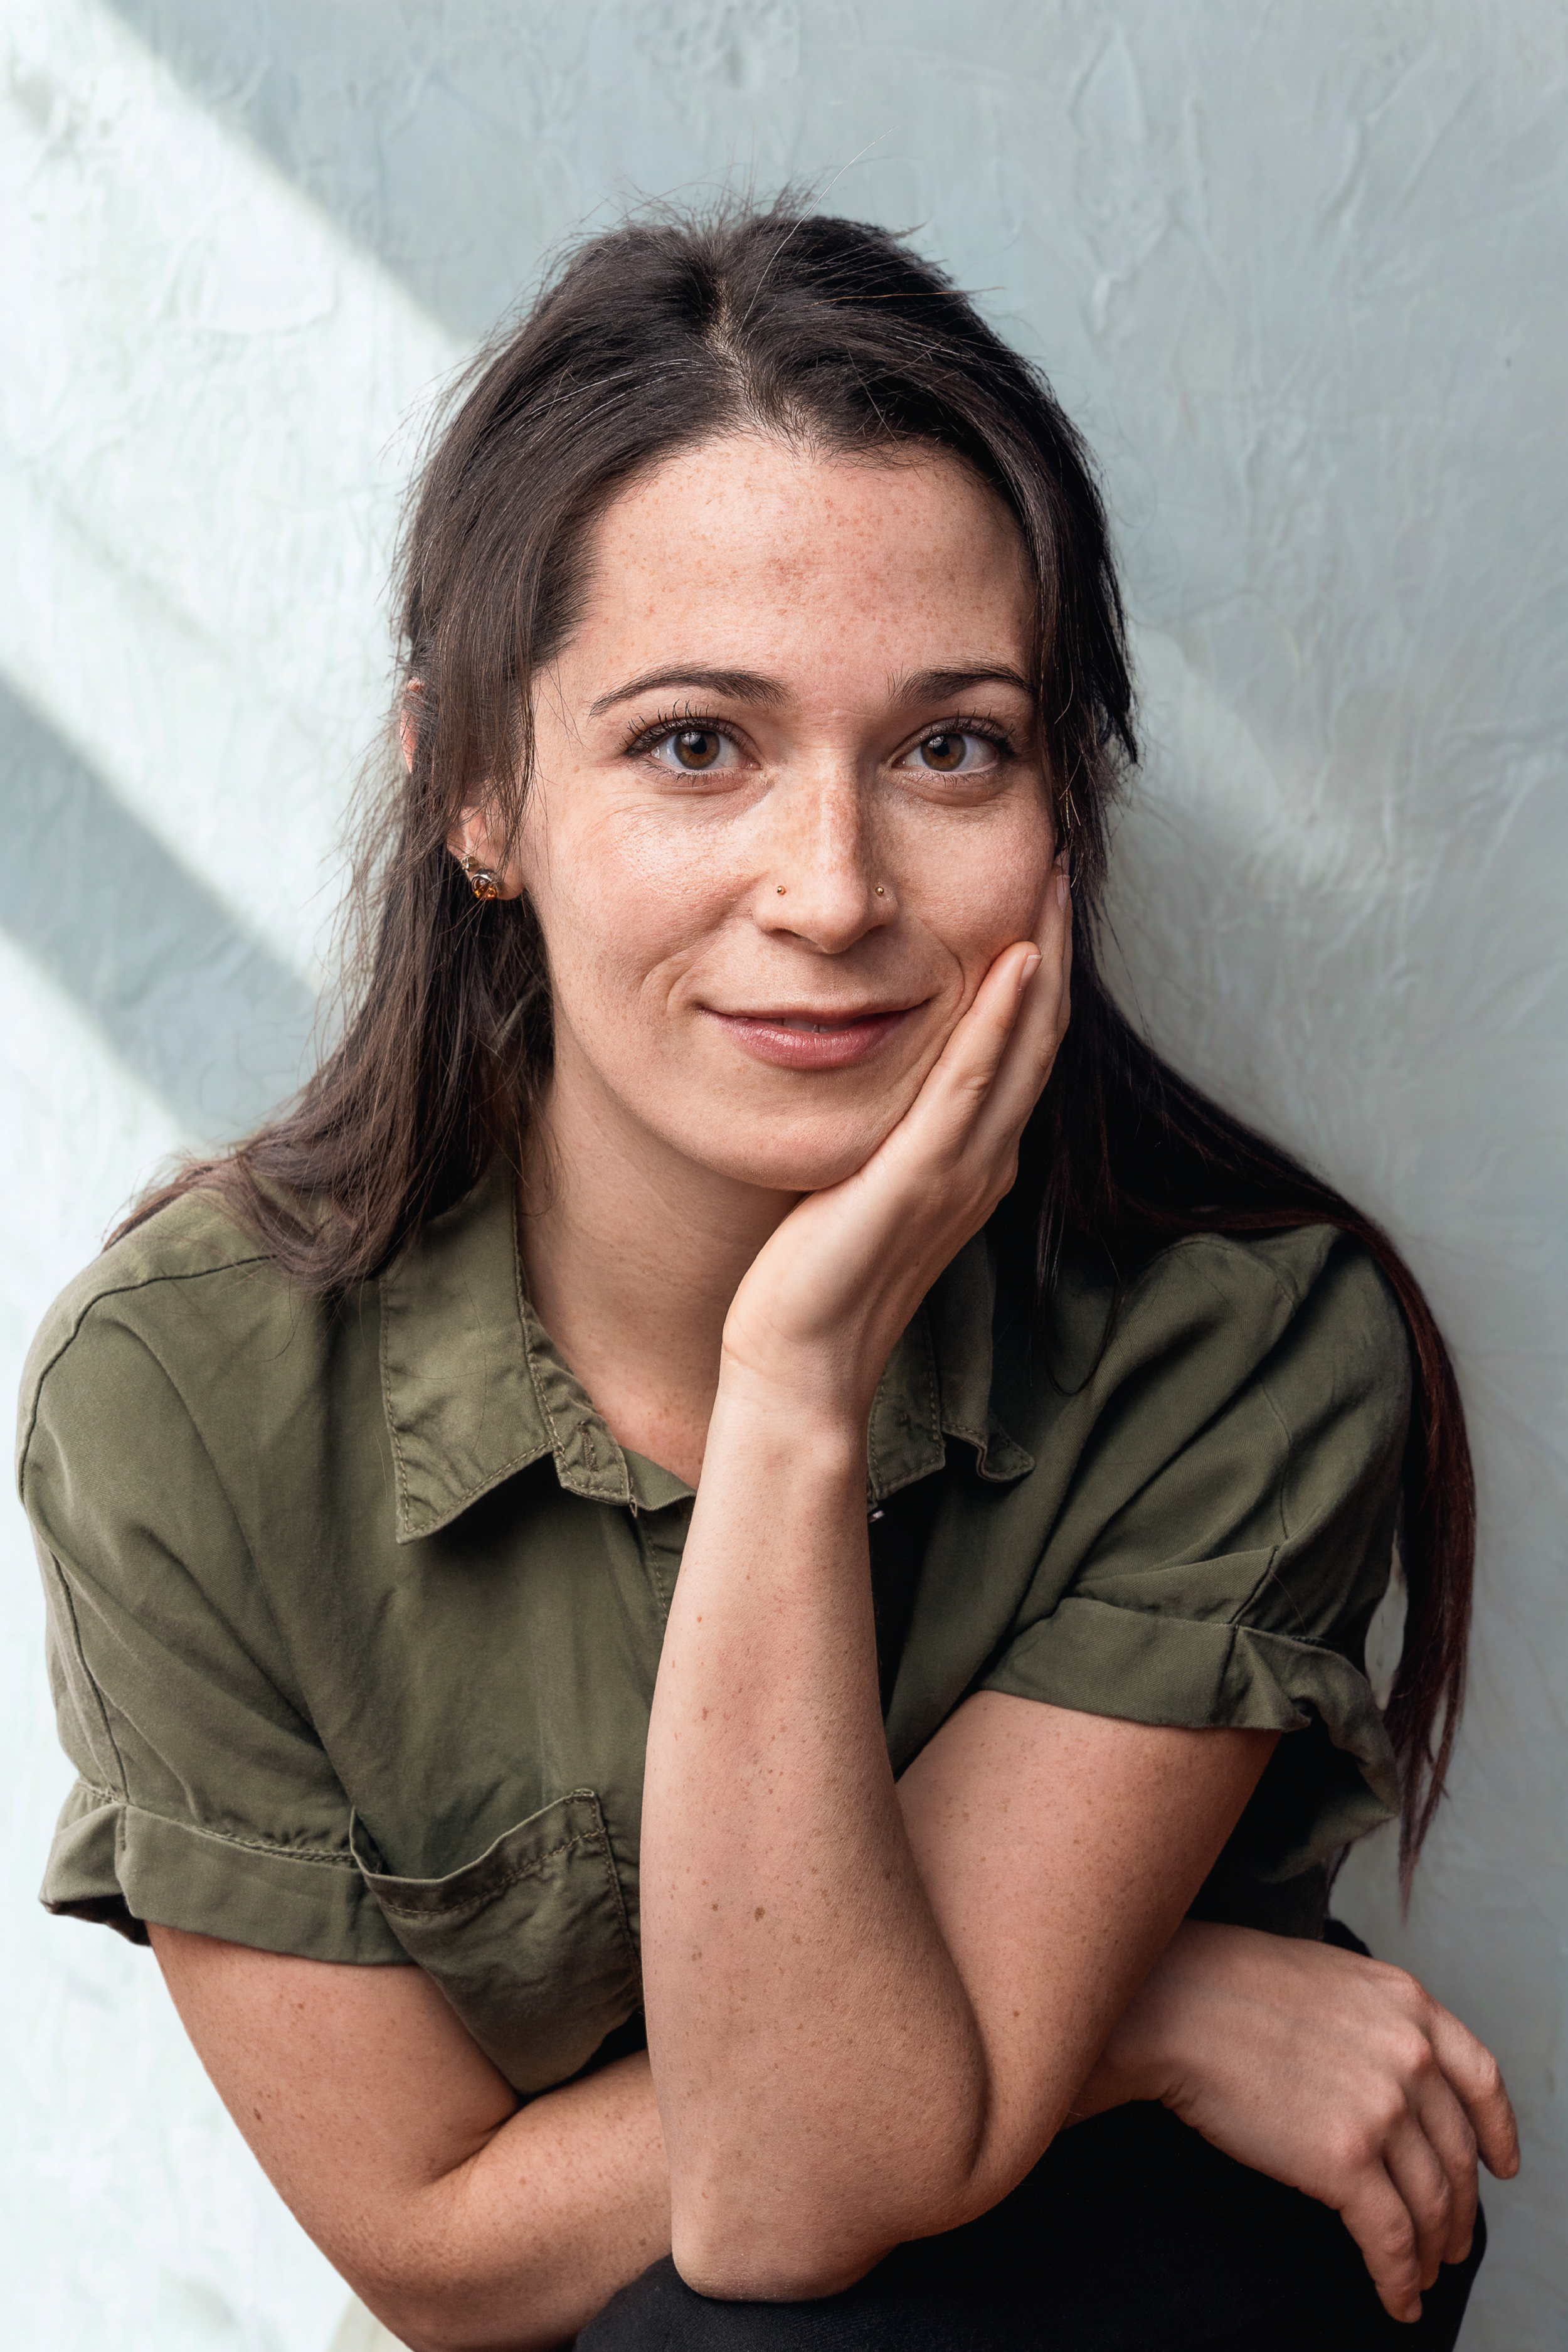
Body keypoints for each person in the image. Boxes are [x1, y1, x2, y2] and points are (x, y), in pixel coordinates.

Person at [19, 203, 1518, 2352]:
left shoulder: (1243, 1348)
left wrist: (793, 1382)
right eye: (696, 744)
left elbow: (803, 2201)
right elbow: (436, 2248)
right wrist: (1137, 2002)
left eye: (949, 746)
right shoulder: (186, 1393)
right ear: (474, 788)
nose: (832, 890)